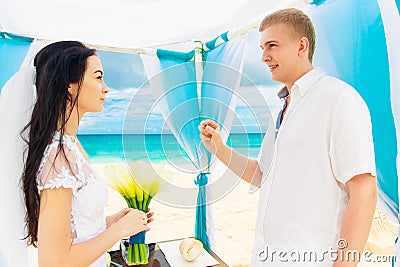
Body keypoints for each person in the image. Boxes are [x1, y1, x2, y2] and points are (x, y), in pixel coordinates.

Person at [199, 8, 377, 266]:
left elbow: (364, 191)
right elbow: (262, 174)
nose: (263, 57)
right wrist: (219, 148)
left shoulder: (339, 99)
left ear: (301, 46)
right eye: (261, 47)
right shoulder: (282, 110)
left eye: (272, 45)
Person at [3, 41, 153, 267]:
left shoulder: (71, 145)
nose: (106, 88)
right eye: (98, 76)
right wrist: (119, 231)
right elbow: (53, 261)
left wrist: (111, 223)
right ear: (69, 85)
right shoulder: (59, 156)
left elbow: (73, 229)